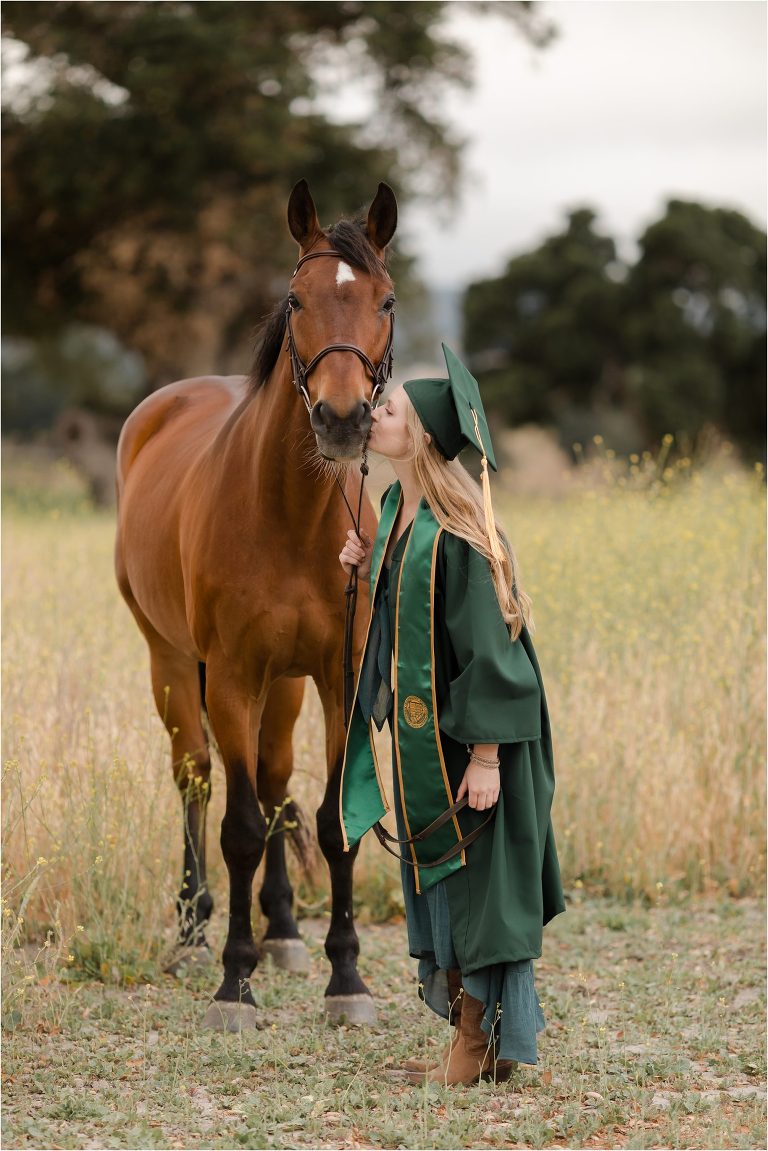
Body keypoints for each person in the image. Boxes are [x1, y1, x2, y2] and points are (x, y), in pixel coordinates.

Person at [338, 344, 564, 1086]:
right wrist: (367, 563)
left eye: (391, 408)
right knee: (447, 880)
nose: (375, 413)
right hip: (430, 742)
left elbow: (493, 658)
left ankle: (477, 1042)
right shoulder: (400, 510)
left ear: (425, 436)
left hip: (477, 745)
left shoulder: (463, 537)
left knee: (480, 888)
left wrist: (489, 757)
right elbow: (410, 619)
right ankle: (478, 1036)